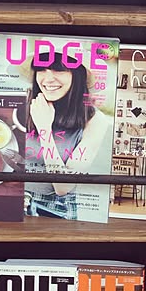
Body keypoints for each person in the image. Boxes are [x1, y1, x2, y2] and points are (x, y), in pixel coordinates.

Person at [25, 52, 112, 219]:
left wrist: (44, 129)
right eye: (41, 69)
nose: (48, 79)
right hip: (11, 200)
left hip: (55, 210)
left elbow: (63, 187)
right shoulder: (26, 104)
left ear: (77, 75)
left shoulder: (95, 120)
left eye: (59, 69)